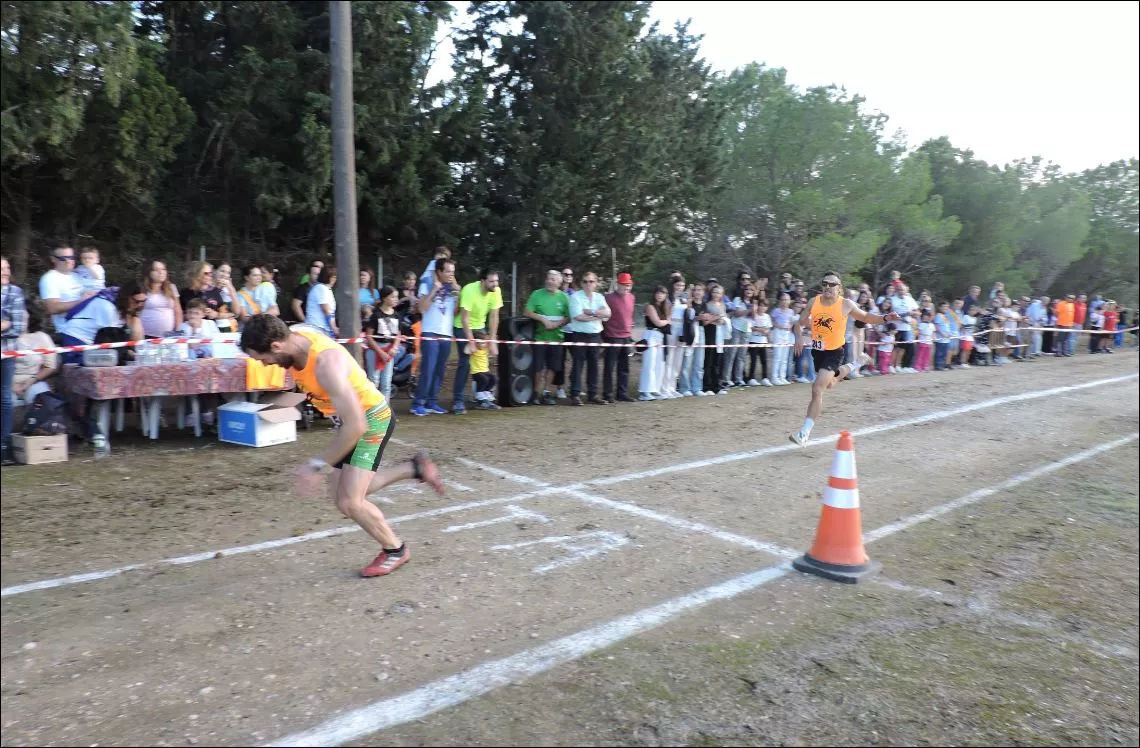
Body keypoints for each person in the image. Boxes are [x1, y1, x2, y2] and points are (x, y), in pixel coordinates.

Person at [241, 315, 445, 577]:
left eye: (262, 359)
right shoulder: (294, 340)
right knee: (344, 492)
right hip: (349, 421)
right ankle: (415, 468)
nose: (265, 365)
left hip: (370, 420)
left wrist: (316, 465)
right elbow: (308, 388)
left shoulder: (326, 364)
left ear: (276, 346)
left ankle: (395, 549)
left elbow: (357, 425)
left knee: (350, 501)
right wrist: (275, 409)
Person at [789, 271, 899, 446]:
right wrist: (799, 337)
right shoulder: (813, 302)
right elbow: (799, 324)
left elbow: (865, 317)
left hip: (835, 351)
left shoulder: (846, 304)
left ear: (839, 288)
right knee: (830, 383)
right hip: (818, 351)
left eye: (832, 284)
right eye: (825, 283)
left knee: (817, 388)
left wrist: (885, 318)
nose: (828, 287)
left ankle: (804, 433)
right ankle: (858, 362)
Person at [411, 258, 458, 416]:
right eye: (448, 271)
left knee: (440, 370)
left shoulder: (452, 288)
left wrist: (458, 295)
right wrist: (434, 290)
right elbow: (422, 309)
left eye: (453, 271)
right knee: (428, 369)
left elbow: (455, 312)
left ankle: (432, 402)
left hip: (446, 333)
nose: (451, 274)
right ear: (439, 272)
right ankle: (418, 403)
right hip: (430, 332)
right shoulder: (426, 284)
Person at [452, 268, 503, 415]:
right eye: (491, 281)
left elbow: (494, 317)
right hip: (462, 327)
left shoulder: (496, 291)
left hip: (480, 327)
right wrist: (470, 341)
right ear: (482, 281)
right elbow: (464, 318)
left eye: (497, 281)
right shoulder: (469, 290)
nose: (495, 284)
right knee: (465, 362)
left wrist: (492, 340)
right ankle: (458, 402)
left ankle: (481, 398)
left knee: (482, 362)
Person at [523, 269, 571, 406]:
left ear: (559, 283)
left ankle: (546, 392)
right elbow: (527, 312)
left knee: (553, 367)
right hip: (540, 338)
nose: (549, 281)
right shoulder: (536, 294)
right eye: (548, 278)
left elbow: (569, 317)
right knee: (538, 368)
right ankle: (535, 393)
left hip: (557, 338)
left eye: (553, 279)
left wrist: (557, 324)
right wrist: (542, 320)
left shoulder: (564, 297)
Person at [565, 271, 611, 405]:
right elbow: (578, 316)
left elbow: (608, 313)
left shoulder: (599, 297)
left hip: (595, 335)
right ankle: (575, 394)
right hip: (579, 335)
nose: (588, 284)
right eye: (585, 281)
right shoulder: (575, 297)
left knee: (594, 365)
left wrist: (591, 312)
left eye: (591, 281)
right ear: (581, 283)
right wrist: (598, 316)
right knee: (578, 365)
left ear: (596, 283)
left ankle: (592, 394)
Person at [2, 256, 28, 465]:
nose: (5, 272)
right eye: (0, 268)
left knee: (4, 399)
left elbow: (17, 328)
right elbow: (8, 325)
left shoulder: (15, 293)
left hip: (6, 354)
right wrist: (4, 323)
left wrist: (8, 325)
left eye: (7, 267)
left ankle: (3, 446)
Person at [39, 246, 94, 332]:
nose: (68, 261)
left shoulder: (78, 275)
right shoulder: (49, 278)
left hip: (92, 325)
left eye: (71, 257)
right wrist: (81, 301)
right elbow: (52, 308)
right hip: (70, 330)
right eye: (63, 258)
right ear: (53, 259)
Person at [601, 272, 636, 404]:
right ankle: (608, 394)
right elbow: (603, 317)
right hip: (612, 336)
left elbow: (629, 315)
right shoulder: (608, 298)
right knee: (609, 367)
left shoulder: (632, 297)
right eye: (624, 285)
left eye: (628, 285)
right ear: (618, 285)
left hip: (626, 336)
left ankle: (622, 393)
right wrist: (605, 334)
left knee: (624, 367)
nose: (626, 287)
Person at [363, 286, 403, 400]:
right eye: (393, 297)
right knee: (373, 380)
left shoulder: (396, 315)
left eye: (397, 297)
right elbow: (369, 336)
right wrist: (380, 352)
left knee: (386, 382)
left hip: (389, 350)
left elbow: (398, 335)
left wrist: (394, 347)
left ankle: (385, 408)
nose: (396, 299)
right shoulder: (376, 315)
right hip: (375, 350)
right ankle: (372, 406)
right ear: (385, 298)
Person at [139, 259, 183, 337]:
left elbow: (178, 311)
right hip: (146, 336)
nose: (161, 272)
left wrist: (177, 331)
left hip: (169, 336)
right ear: (149, 272)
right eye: (156, 270)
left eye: (163, 269)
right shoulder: (142, 289)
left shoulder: (171, 287)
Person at [469, 331, 500, 410]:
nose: (484, 344)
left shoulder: (485, 349)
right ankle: (479, 395)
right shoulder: (474, 351)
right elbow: (466, 351)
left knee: (494, 378)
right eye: (481, 343)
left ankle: (486, 392)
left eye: (484, 343)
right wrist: (471, 342)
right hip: (476, 372)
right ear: (476, 343)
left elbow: (495, 352)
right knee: (484, 379)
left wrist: (492, 339)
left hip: (485, 371)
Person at [305, 266, 339, 337]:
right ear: (331, 278)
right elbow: (326, 310)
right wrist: (334, 328)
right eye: (334, 277)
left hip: (321, 328)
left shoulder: (326, 289)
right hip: (317, 328)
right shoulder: (321, 288)